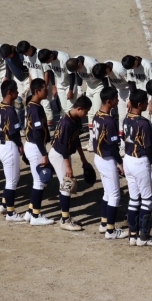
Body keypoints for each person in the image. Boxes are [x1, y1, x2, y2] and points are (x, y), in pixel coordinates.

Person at [48, 96, 94, 231]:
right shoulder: (66, 122)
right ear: (79, 108)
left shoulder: (76, 119)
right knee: (67, 185)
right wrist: (68, 166)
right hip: (59, 155)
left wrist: (83, 159)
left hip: (63, 154)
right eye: (86, 111)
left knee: (65, 185)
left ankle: (65, 217)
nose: (86, 114)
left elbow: (76, 140)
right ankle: (64, 220)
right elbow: (63, 147)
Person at [92, 87, 128, 239]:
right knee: (114, 195)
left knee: (107, 192)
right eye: (115, 98)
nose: (118, 100)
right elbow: (113, 147)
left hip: (98, 157)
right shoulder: (109, 121)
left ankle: (104, 223)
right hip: (107, 159)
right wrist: (120, 163)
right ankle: (111, 231)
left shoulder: (97, 115)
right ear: (109, 101)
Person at [122, 90, 152, 246]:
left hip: (128, 160)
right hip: (140, 162)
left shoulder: (126, 118)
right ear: (140, 104)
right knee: (147, 200)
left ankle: (133, 235)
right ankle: (144, 237)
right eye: (146, 102)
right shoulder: (143, 123)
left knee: (134, 199)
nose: (147, 104)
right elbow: (148, 147)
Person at [23, 78, 55, 226]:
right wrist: (44, 153)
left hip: (32, 146)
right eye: (44, 89)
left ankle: (30, 212)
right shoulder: (35, 108)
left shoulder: (32, 104)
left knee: (38, 181)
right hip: (36, 147)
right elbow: (37, 133)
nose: (47, 91)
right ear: (37, 91)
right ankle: (36, 215)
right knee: (40, 182)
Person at [0, 80, 27, 222]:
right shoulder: (10, 110)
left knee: (12, 178)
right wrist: (20, 145)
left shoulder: (0, 106)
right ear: (9, 92)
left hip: (0, 145)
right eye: (15, 90)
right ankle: (10, 213)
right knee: (12, 181)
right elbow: (14, 132)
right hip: (9, 146)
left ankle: (4, 205)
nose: (18, 93)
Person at [66, 55, 104, 150]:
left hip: (99, 86)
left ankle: (99, 141)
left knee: (97, 113)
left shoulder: (91, 64)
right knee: (89, 114)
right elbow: (78, 74)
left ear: (79, 63)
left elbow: (103, 76)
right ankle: (91, 141)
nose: (77, 71)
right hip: (90, 87)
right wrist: (78, 88)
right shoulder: (74, 62)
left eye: (77, 69)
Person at [17, 41, 54, 129]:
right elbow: (30, 70)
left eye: (26, 53)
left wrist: (45, 86)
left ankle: (49, 125)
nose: (25, 55)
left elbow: (46, 72)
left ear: (30, 48)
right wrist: (30, 85)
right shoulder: (26, 56)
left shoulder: (40, 55)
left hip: (44, 84)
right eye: (24, 54)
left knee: (46, 104)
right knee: (36, 104)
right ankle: (41, 122)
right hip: (35, 85)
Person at [92, 61, 128, 139]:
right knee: (121, 117)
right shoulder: (103, 67)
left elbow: (132, 82)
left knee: (128, 116)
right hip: (119, 91)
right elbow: (106, 80)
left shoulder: (120, 69)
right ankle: (122, 142)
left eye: (104, 75)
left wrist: (131, 99)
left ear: (107, 70)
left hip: (129, 90)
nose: (105, 76)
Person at [38, 48, 77, 119]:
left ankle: (73, 124)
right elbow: (50, 72)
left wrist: (71, 90)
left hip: (71, 84)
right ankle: (63, 123)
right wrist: (53, 86)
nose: (47, 63)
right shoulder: (47, 60)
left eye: (47, 61)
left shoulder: (64, 58)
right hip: (60, 84)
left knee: (70, 108)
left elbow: (72, 74)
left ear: (51, 56)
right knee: (63, 108)